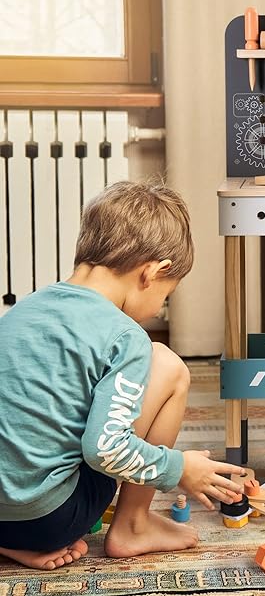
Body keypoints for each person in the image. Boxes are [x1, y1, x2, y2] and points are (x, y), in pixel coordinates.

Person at [0, 181, 245, 570]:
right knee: (166, 364)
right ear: (153, 272)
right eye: (166, 295)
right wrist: (179, 468)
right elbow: (105, 449)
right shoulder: (123, 335)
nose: (159, 307)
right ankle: (133, 525)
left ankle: (11, 543)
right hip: (47, 519)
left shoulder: (21, 311)